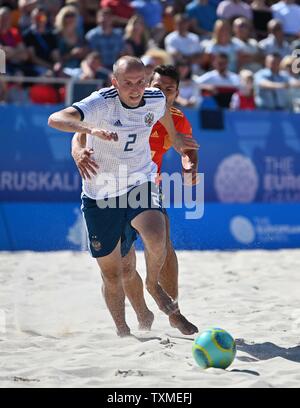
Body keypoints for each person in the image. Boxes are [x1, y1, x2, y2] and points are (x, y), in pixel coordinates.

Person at [48, 56, 199, 337]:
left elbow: (163, 112)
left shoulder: (154, 98)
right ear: (115, 82)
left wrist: (176, 139)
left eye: (140, 82)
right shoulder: (101, 102)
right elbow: (57, 118)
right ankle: (124, 329)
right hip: (101, 192)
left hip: (138, 182)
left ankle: (154, 285)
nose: (135, 88)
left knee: (158, 236)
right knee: (117, 271)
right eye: (127, 83)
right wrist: (87, 133)